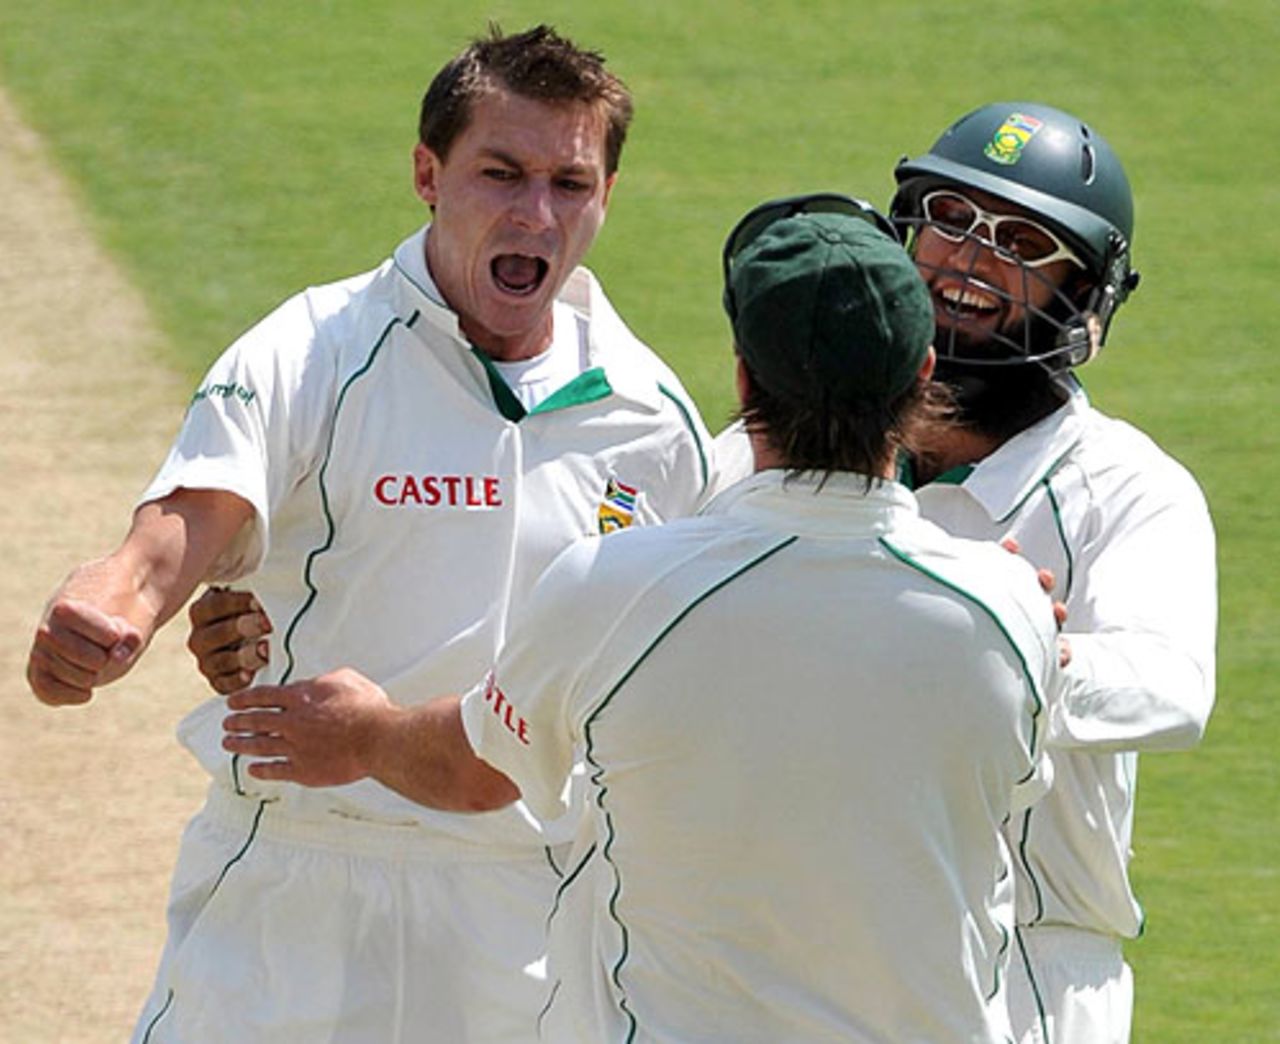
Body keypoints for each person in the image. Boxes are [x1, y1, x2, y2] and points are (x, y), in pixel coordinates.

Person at [220, 198, 1064, 1042]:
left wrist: (368, 733)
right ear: (923, 373)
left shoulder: (614, 585)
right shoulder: (1013, 607)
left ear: (744, 378)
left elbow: (478, 770)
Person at [26, 24, 712, 1043]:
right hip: (299, 883)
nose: (535, 213)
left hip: (525, 909)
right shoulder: (311, 352)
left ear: (607, 193)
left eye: (569, 184)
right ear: (427, 174)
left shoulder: (653, 417)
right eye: (500, 173)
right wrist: (109, 609)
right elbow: (183, 528)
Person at [716, 103, 1216, 1043]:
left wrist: (997, 641)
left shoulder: (1128, 487)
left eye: (1023, 241)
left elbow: (1171, 692)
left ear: (1086, 294)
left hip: (1024, 965)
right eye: (949, 218)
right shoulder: (752, 453)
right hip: (785, 948)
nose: (971, 260)